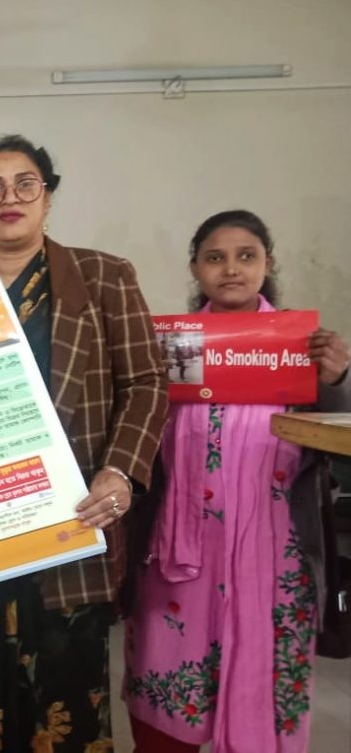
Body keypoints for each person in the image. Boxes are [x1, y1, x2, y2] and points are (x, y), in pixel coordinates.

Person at [0, 135, 168, 752]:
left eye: (25, 183)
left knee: (68, 694)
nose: (10, 197)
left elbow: (145, 382)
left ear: (47, 197)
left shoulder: (102, 276)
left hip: (71, 516)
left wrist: (119, 471)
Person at [123, 210, 351, 753]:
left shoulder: (302, 347)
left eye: (246, 256)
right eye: (215, 257)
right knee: (166, 690)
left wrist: (338, 379)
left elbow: (337, 441)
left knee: (264, 687)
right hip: (180, 554)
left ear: (267, 264)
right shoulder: (171, 347)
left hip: (276, 556)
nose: (231, 269)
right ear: (195, 268)